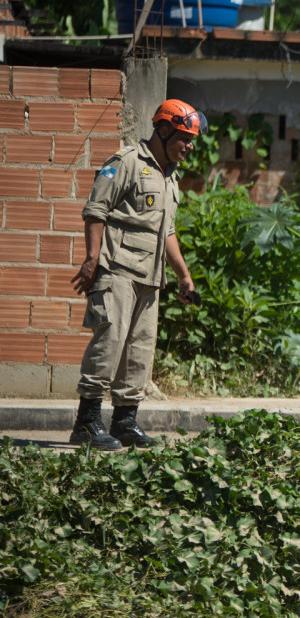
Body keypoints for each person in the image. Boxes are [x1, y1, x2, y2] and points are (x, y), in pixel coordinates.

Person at [69, 99, 205, 449]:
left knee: (139, 349)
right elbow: (96, 210)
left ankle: (124, 422)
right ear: (163, 130)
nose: (189, 146)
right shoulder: (126, 162)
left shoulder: (170, 178)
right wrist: (91, 259)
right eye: (184, 138)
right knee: (109, 342)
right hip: (116, 270)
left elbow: (168, 231)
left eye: (192, 140)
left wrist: (184, 277)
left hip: (150, 276)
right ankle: (86, 423)